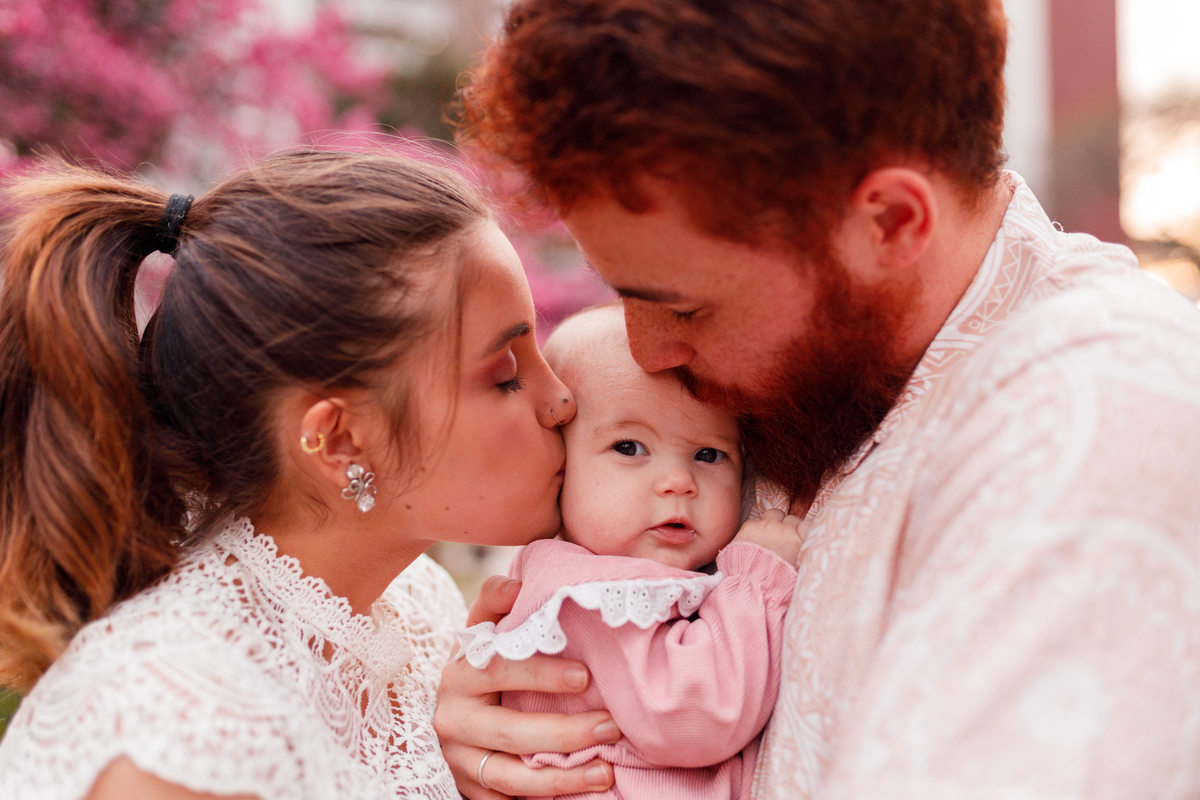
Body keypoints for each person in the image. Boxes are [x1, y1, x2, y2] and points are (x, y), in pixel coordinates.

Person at [435, 1, 1200, 798]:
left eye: (686, 308)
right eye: (622, 292)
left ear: (890, 222)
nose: (650, 353)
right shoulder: (809, 375)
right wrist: (513, 719)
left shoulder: (1094, 418)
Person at [0, 150, 614, 799]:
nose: (561, 400)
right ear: (339, 441)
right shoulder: (179, 733)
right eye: (507, 375)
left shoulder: (418, 609)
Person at [457, 304, 803, 799]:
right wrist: (757, 582)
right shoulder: (586, 596)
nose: (678, 481)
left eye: (708, 454)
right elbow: (696, 715)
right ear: (560, 462)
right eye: (629, 447)